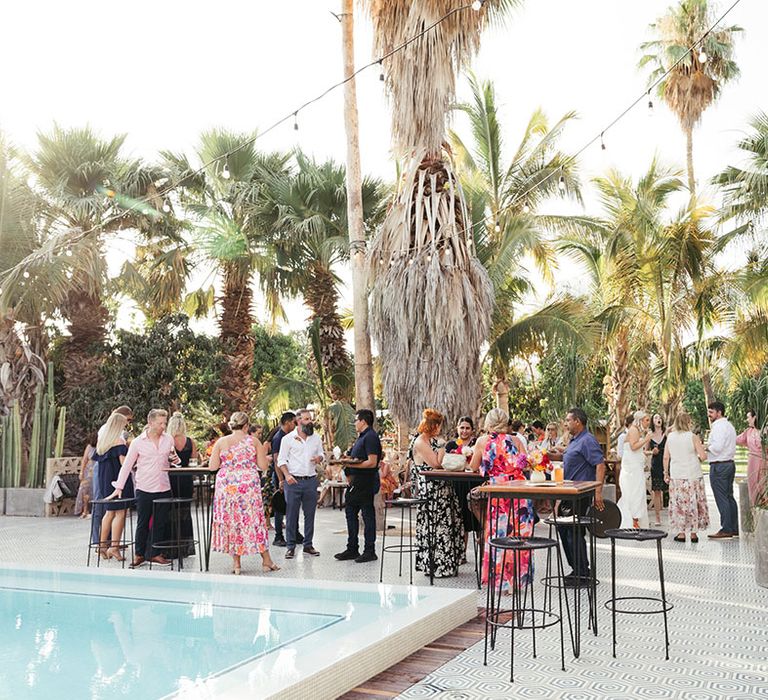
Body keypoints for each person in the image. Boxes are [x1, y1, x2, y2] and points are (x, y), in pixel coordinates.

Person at [469, 408, 532, 592]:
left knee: (499, 536)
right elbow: (526, 464)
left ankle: (502, 583)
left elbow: (473, 466)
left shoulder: (483, 441)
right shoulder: (517, 440)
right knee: (520, 536)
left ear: (488, 422)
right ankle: (518, 581)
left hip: (499, 491)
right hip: (520, 491)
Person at [210, 411, 279, 575]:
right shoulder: (253, 441)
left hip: (227, 486)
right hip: (247, 487)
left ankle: (237, 564)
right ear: (247, 426)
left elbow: (213, 467)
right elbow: (263, 466)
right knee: (253, 520)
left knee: (232, 521)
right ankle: (266, 560)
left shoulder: (221, 442)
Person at [110, 409, 177, 567]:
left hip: (163, 486)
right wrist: (118, 487)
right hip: (144, 487)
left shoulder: (168, 439)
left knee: (160, 522)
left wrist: (175, 459)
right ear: (150, 422)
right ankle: (139, 554)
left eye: (164, 423)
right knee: (143, 522)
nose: (163, 426)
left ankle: (154, 554)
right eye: (160, 423)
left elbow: (174, 460)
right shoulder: (138, 442)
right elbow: (126, 466)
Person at [411, 408, 464, 578]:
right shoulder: (420, 442)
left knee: (446, 526)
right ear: (433, 425)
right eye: (439, 425)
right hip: (430, 490)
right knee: (435, 527)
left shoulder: (433, 440)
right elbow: (435, 463)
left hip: (442, 489)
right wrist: (442, 446)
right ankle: (435, 565)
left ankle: (446, 564)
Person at [557, 407, 605, 586]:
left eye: (568, 420)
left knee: (574, 532)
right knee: (564, 529)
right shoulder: (574, 440)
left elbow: (600, 465)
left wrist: (597, 492)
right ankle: (577, 569)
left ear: (578, 421)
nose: (566, 423)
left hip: (581, 493)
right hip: (569, 492)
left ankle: (583, 573)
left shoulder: (587, 440)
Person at [335, 409, 383, 563]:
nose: (354, 423)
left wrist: (352, 464)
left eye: (356, 420)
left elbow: (372, 462)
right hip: (356, 482)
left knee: (367, 516)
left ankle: (370, 550)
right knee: (350, 513)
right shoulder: (361, 437)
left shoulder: (371, 437)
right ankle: (352, 548)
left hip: (366, 482)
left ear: (363, 421)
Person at [277, 408, 324, 559]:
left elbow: (322, 454)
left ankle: (308, 545)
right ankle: (290, 546)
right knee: (291, 515)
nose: (310, 422)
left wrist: (319, 459)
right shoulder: (287, 439)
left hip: (310, 480)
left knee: (310, 514)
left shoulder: (316, 438)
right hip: (293, 482)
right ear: (298, 421)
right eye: (306, 419)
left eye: (310, 419)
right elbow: (281, 460)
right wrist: (287, 476)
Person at [663, 411, 709, 543]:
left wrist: (666, 473)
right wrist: (697, 459)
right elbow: (703, 456)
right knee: (693, 502)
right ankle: (694, 534)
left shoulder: (670, 437)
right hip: (693, 474)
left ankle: (681, 533)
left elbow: (666, 457)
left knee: (679, 504)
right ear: (688, 422)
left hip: (677, 475)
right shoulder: (692, 437)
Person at [94, 414, 134, 560]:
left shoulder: (103, 442)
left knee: (109, 512)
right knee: (120, 513)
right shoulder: (119, 441)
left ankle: (102, 545)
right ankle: (114, 547)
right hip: (118, 480)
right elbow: (124, 463)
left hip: (105, 480)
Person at [445, 416, 480, 562]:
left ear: (472, 430)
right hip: (457, 484)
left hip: (473, 484)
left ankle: (483, 554)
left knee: (478, 520)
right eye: (462, 427)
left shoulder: (477, 444)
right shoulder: (451, 445)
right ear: (457, 429)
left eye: (467, 428)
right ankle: (461, 554)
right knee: (461, 520)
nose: (464, 431)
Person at [269, 412, 302, 547]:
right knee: (280, 505)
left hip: (290, 475)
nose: (296, 425)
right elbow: (277, 460)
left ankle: (295, 532)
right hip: (281, 475)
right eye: (294, 422)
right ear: (288, 422)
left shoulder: (290, 436)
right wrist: (281, 479)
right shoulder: (279, 438)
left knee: (293, 505)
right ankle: (278, 536)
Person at [706, 400, 738, 539]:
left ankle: (726, 528)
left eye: (711, 412)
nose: (709, 415)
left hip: (719, 466)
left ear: (719, 412)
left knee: (722, 498)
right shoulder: (729, 426)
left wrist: (705, 447)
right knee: (729, 497)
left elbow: (717, 447)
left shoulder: (718, 427)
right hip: (729, 464)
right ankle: (733, 528)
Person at [168, 411, 197, 557]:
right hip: (186, 479)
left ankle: (172, 548)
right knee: (185, 512)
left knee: (170, 512)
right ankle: (186, 547)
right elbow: (193, 462)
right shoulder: (190, 442)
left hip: (171, 478)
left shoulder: (168, 441)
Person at [618, 410, 652, 529]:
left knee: (637, 492)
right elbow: (633, 447)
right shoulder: (634, 430)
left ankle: (636, 519)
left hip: (636, 465)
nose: (649, 422)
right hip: (631, 467)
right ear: (640, 420)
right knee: (634, 492)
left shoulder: (637, 430)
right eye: (647, 420)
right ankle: (633, 519)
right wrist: (647, 439)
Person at [737, 409, 766, 507]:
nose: (747, 420)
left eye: (748, 417)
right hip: (753, 461)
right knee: (752, 483)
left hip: (764, 461)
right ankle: (755, 507)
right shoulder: (748, 431)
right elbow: (738, 439)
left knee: (763, 483)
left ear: (755, 418)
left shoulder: (765, 430)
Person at [648, 413, 668, 526]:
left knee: (670, 490)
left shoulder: (666, 434)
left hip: (666, 464)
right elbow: (645, 451)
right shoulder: (649, 435)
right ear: (652, 421)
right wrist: (652, 452)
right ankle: (657, 518)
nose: (658, 419)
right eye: (655, 417)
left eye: (660, 417)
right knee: (656, 492)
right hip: (655, 465)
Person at [75, 432, 97, 518]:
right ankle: (85, 510)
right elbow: (84, 460)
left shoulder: (101, 447)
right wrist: (81, 472)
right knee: (85, 491)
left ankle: (93, 510)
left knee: (94, 491)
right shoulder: (89, 447)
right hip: (89, 472)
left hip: (96, 471)